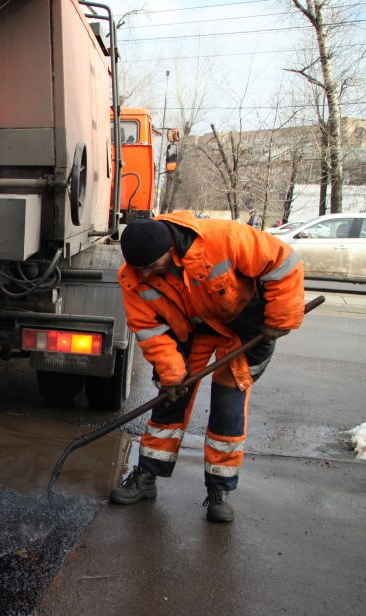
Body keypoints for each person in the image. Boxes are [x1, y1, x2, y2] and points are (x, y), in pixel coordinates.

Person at [110, 212, 304, 522]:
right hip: (192, 332)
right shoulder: (133, 277)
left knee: (228, 406)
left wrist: (279, 319)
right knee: (170, 399)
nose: (146, 273)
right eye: (140, 268)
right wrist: (172, 376)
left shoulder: (222, 239)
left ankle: (219, 489)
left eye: (152, 266)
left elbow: (283, 262)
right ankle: (147, 477)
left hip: (245, 329)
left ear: (170, 251)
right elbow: (150, 330)